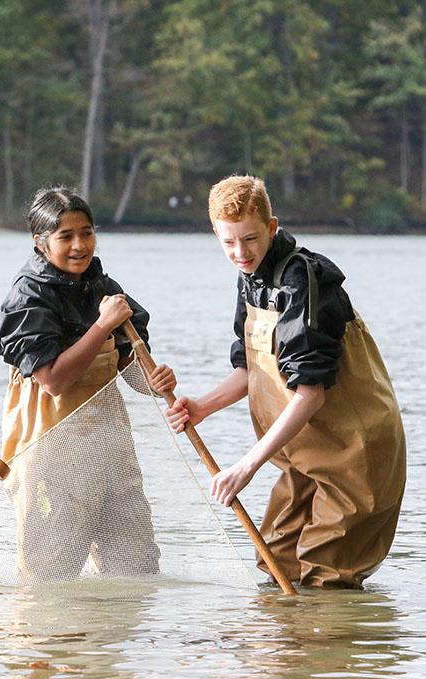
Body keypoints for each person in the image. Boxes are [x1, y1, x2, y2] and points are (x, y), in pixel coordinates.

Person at [167, 175, 406, 589]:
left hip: (354, 453)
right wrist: (204, 406)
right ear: (216, 234)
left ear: (272, 226)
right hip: (305, 455)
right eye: (229, 242)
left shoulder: (303, 281)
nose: (240, 253)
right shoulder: (251, 277)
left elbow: (310, 393)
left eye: (251, 239)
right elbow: (250, 369)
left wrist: (246, 466)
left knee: (324, 576)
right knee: (276, 561)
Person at [0, 185, 176, 581]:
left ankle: (107, 644)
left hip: (111, 449)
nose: (79, 245)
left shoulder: (104, 290)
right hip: (50, 452)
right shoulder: (29, 297)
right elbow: (54, 380)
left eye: (87, 232)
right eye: (66, 236)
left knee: (137, 568)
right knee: (49, 577)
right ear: (40, 243)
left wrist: (156, 382)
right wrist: (101, 326)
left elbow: (133, 369)